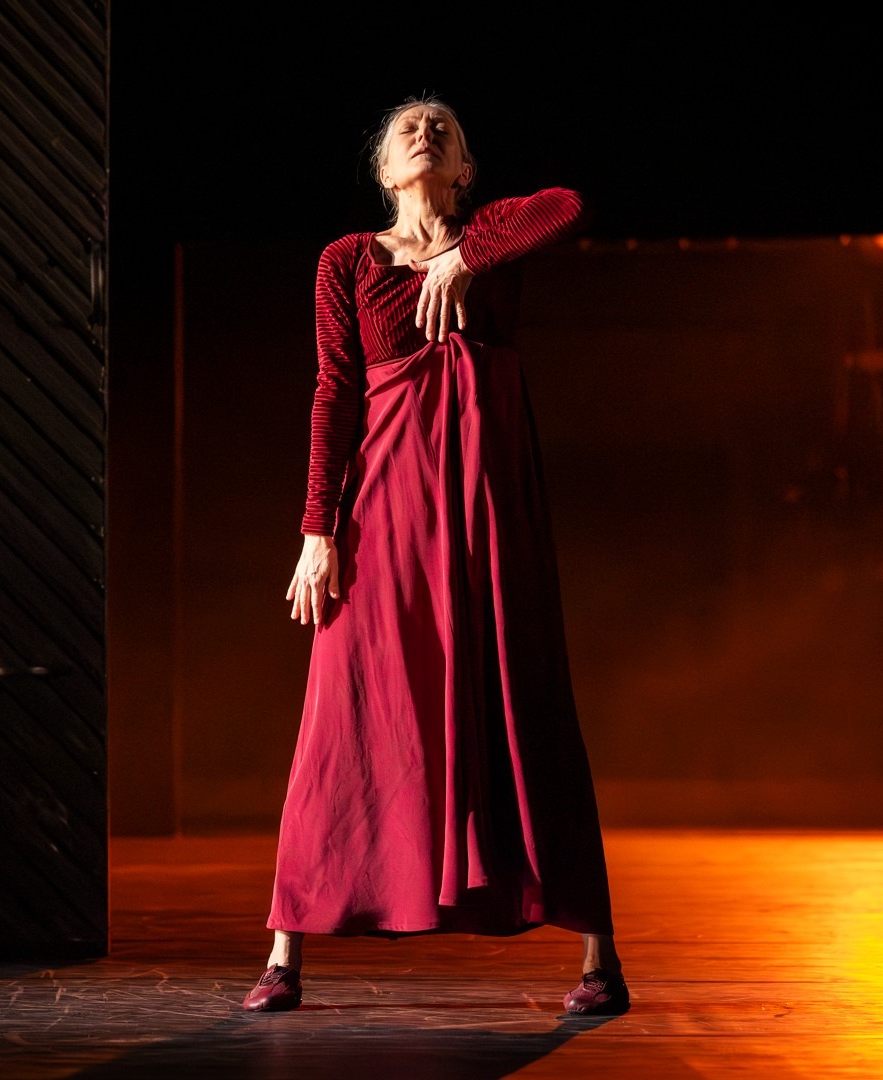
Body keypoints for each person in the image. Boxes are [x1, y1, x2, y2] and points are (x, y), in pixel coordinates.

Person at [241, 96, 629, 1017]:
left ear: (463, 171)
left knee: (525, 697)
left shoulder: (492, 235)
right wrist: (315, 531)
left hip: (491, 510)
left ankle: (599, 961)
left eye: (444, 129)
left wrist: (463, 254)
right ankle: (284, 951)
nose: (426, 132)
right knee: (345, 711)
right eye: (409, 128)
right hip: (386, 511)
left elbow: (568, 203)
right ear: (383, 169)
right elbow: (335, 393)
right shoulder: (348, 260)